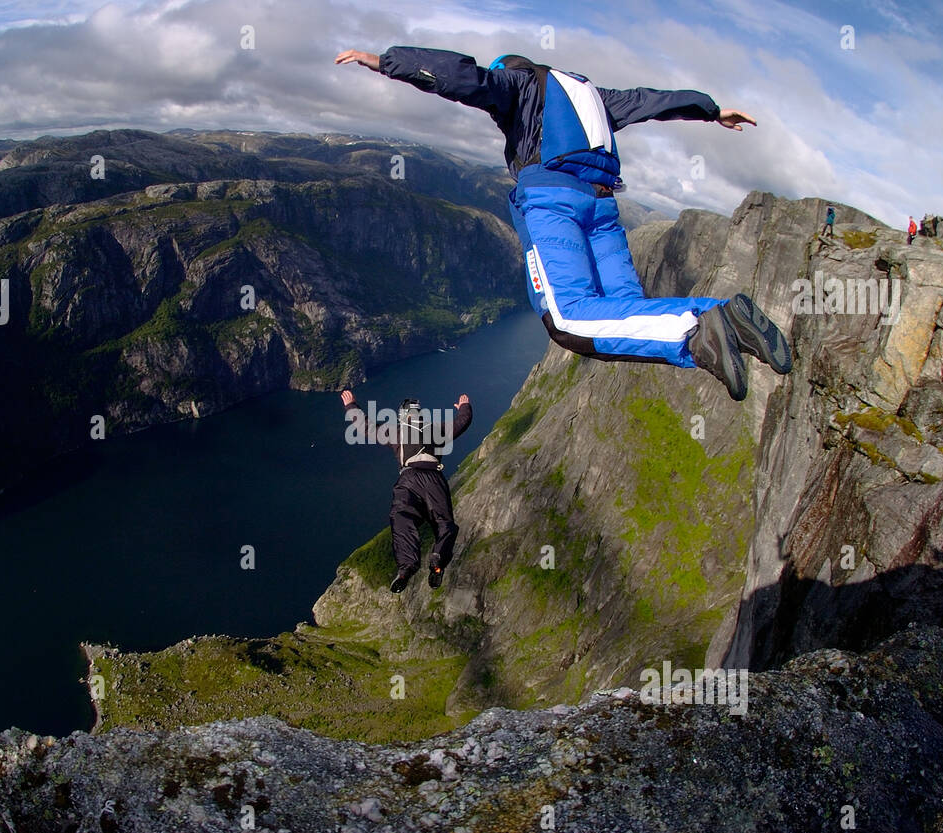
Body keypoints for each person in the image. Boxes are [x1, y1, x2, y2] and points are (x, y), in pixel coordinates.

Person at [335, 47, 792, 402]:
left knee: (569, 318)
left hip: (555, 203)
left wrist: (388, 63)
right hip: (603, 209)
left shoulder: (520, 82)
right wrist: (708, 109)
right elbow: (651, 101)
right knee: (624, 315)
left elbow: (465, 78)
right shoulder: (592, 94)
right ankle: (727, 318)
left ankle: (704, 323)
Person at [341, 390, 473, 592]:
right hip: (434, 479)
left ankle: (406, 567)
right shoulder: (436, 429)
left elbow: (364, 426)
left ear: (403, 415)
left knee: (402, 517)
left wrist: (351, 406)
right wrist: (464, 406)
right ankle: (438, 560)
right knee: (443, 523)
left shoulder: (397, 432)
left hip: (409, 479)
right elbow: (463, 422)